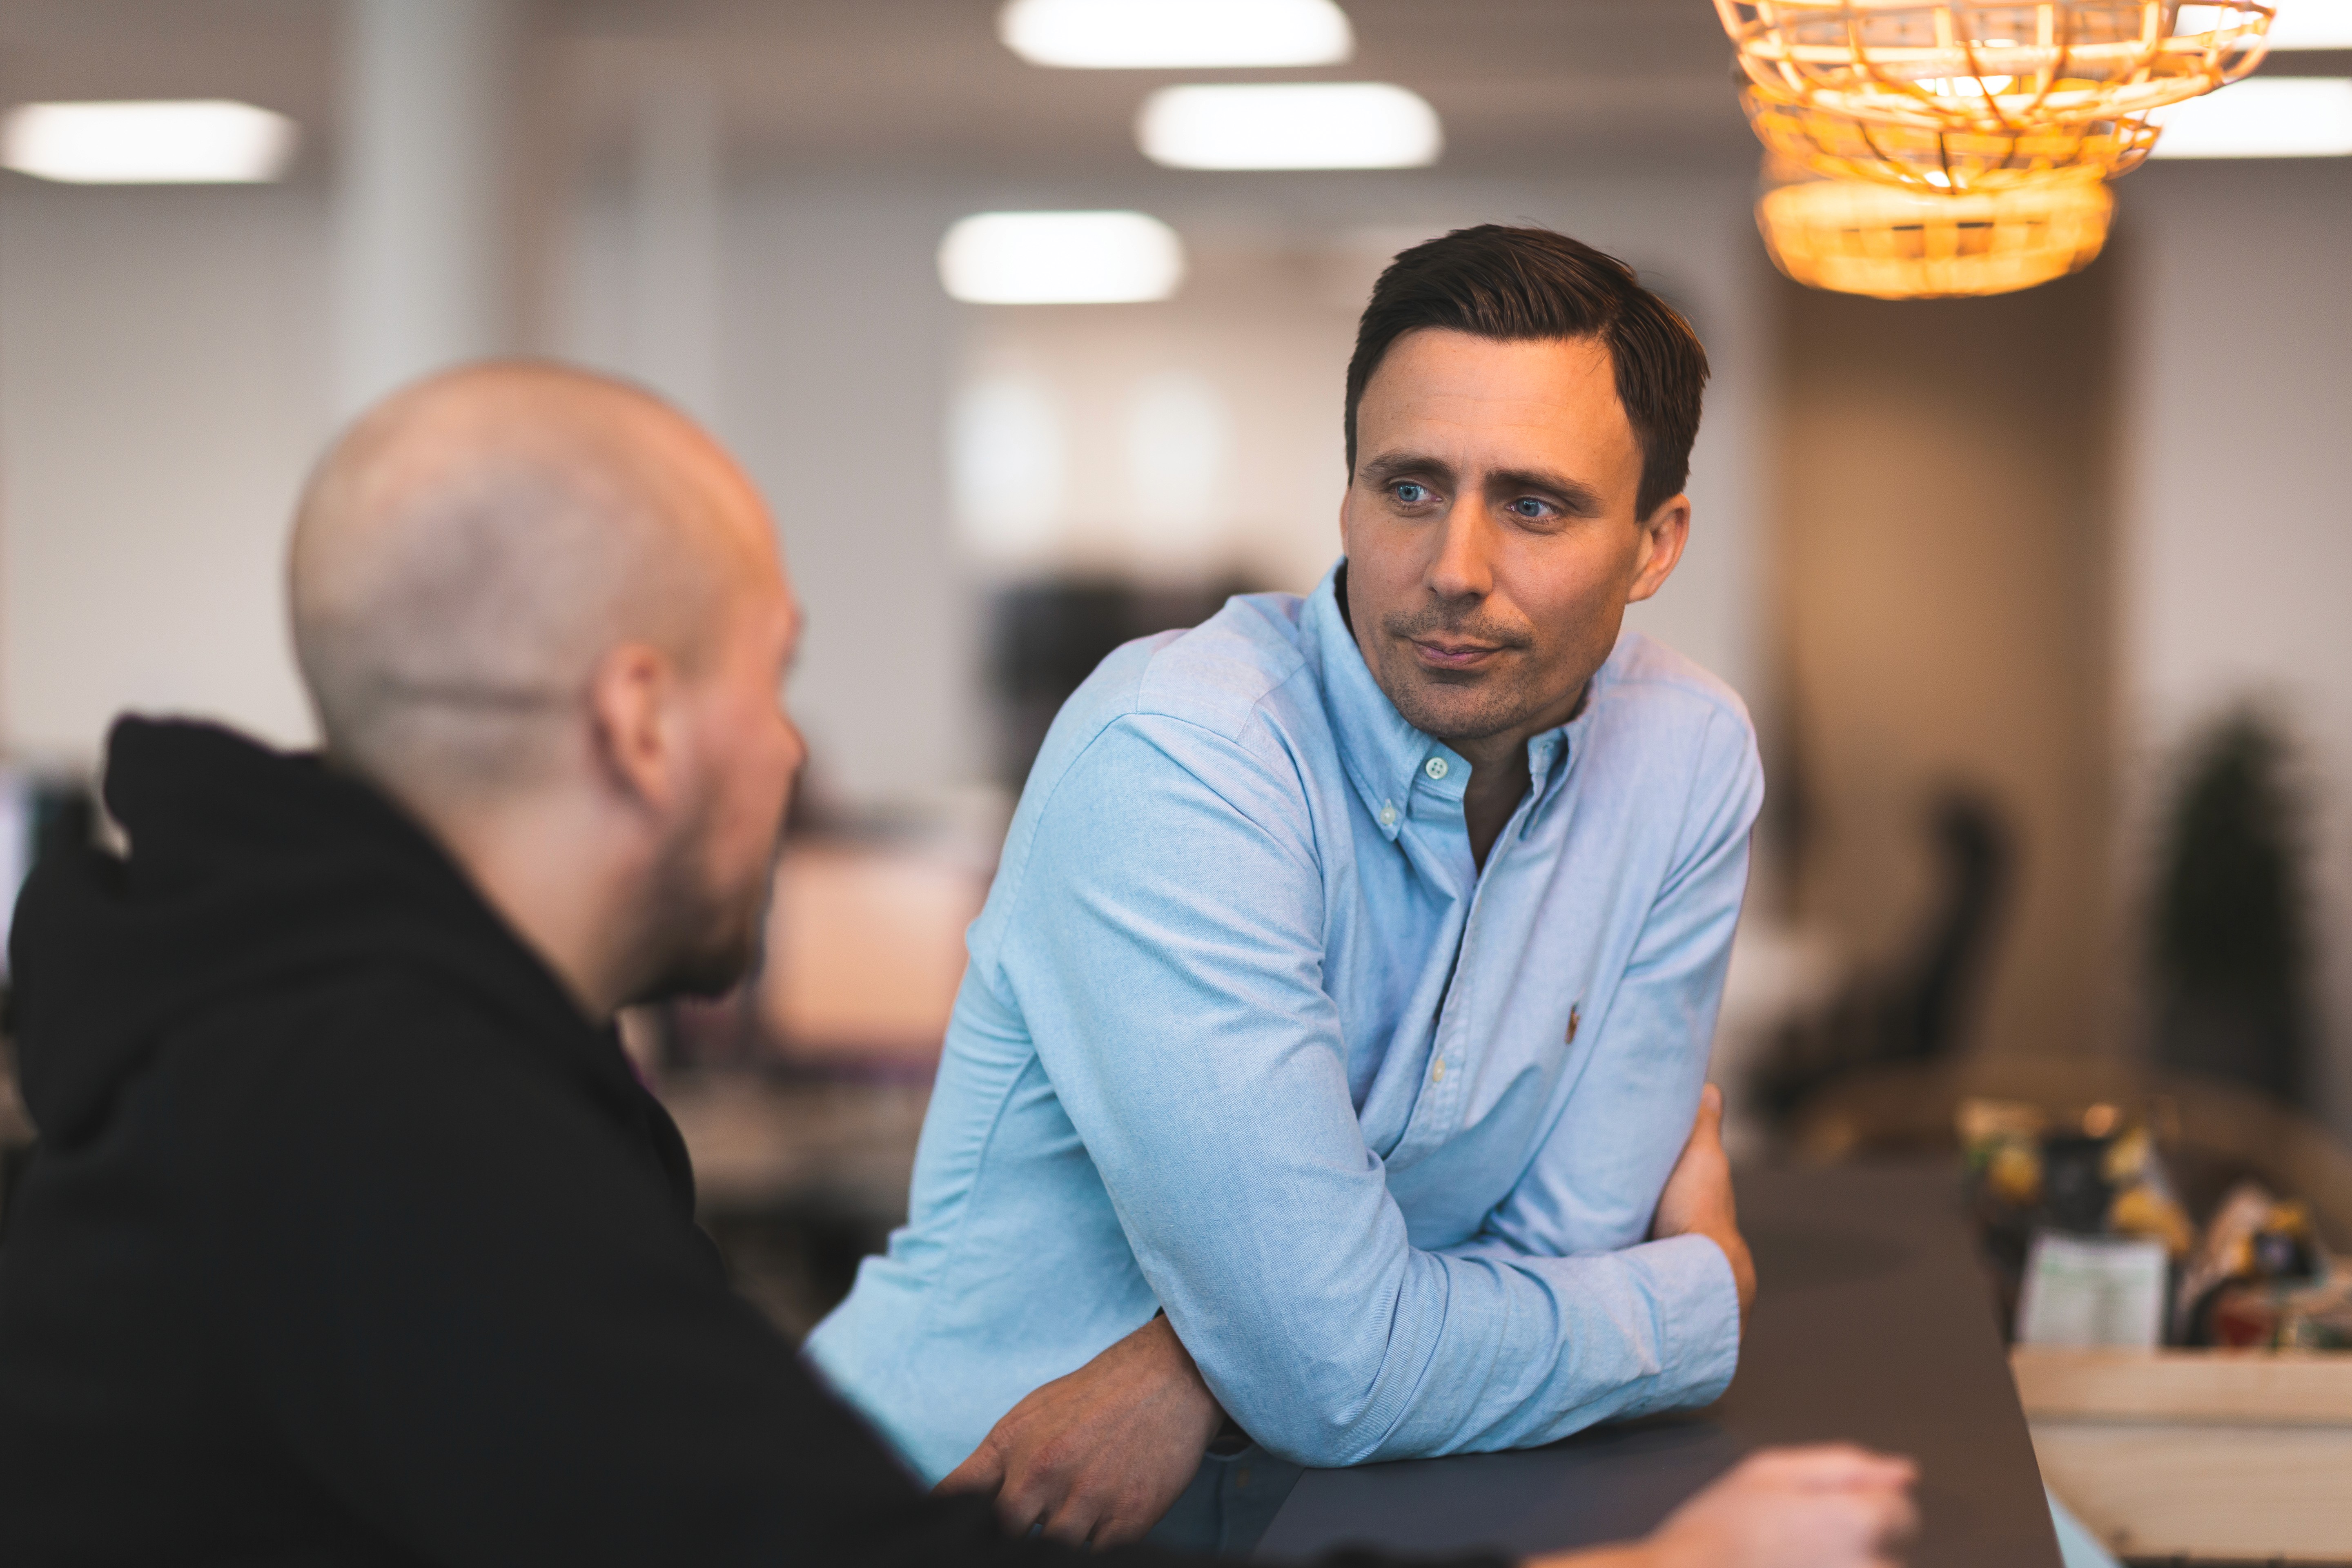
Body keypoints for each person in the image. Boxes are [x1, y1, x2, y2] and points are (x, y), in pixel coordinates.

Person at [0, 363, 1915, 1567]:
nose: (796, 755)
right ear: (642, 722)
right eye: (775, 679)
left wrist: (1228, 1351)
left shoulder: (390, 1066)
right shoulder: (382, 1136)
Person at [806, 225, 1765, 1550]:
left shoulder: (1687, 755)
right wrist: (1695, 1301)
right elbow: (1333, 1370)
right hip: (955, 1515)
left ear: (1656, 544)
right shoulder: (1184, 758)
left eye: (1535, 505)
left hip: (1349, 1519)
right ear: (1348, 496)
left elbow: (1555, 1251)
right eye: (1409, 488)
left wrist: (1207, 1368)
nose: (1455, 568)